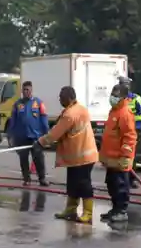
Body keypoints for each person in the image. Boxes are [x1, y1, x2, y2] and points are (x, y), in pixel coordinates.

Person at [35, 85, 99, 224]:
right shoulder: (80, 109)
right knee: (73, 184)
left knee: (83, 184)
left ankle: (87, 213)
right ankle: (70, 210)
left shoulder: (70, 114)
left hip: (82, 156)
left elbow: (55, 133)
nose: (59, 99)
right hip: (79, 156)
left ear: (69, 97)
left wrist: (40, 142)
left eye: (61, 97)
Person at [99, 83, 138, 223]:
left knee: (121, 185)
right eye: (112, 94)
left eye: (115, 95)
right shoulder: (114, 111)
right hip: (111, 158)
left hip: (120, 158)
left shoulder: (125, 113)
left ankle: (121, 211)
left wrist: (125, 155)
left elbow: (130, 136)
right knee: (112, 184)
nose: (112, 97)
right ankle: (115, 209)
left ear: (123, 96)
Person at [5, 80, 49, 186]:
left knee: (38, 158)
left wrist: (46, 134)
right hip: (22, 137)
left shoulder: (38, 103)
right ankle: (26, 178)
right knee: (23, 158)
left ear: (31, 90)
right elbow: (13, 121)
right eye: (24, 90)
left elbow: (44, 119)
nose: (26, 92)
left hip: (36, 137)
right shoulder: (17, 104)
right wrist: (11, 136)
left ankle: (42, 178)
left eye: (28, 90)